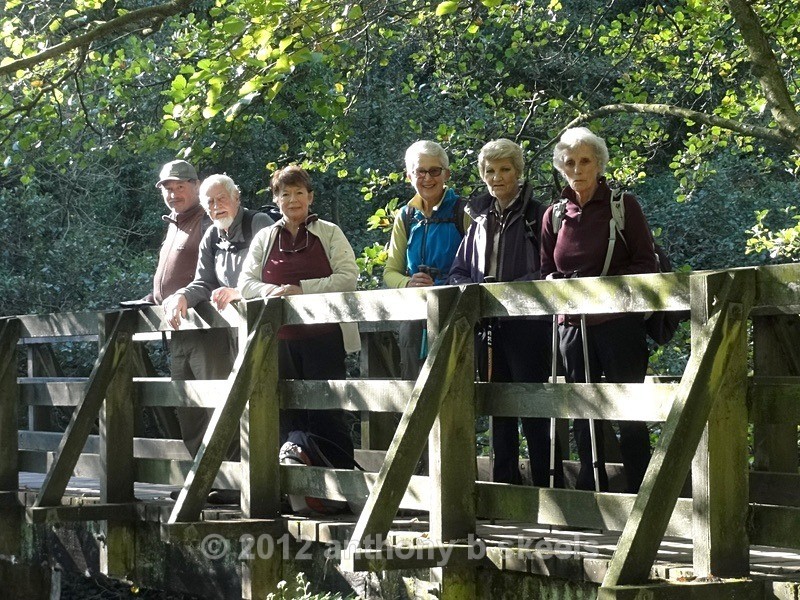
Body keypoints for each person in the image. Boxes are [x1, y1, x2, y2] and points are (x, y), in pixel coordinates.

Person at [540, 126, 658, 493]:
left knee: (630, 412)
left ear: (599, 164)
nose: (577, 168)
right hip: (573, 327)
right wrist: (557, 284)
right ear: (561, 166)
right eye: (570, 161)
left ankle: (643, 493)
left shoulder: (624, 207)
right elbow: (544, 270)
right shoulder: (554, 215)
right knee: (582, 410)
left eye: (585, 160)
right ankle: (592, 493)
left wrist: (603, 288)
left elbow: (646, 264)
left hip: (619, 325)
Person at [448, 139, 564, 488]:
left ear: (519, 172)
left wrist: (507, 293)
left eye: (504, 170)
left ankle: (549, 491)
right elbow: (459, 270)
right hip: (491, 328)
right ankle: (506, 490)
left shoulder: (539, 215)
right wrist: (472, 290)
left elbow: (549, 269)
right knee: (499, 410)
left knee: (534, 410)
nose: (496, 178)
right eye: (489, 171)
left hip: (529, 326)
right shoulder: (479, 220)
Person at [238, 165, 358, 488]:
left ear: (310, 197)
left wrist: (302, 290)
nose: (293, 200)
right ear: (276, 200)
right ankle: (292, 488)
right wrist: (269, 291)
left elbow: (348, 276)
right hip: (278, 342)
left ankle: (343, 486)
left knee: (327, 412)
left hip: (324, 338)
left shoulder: (329, 232)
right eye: (285, 194)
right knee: (285, 412)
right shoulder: (266, 237)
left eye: (299, 193)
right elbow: (245, 282)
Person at [162, 173, 273, 463]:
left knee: (254, 405)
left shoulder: (258, 223)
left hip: (266, 331)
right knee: (207, 405)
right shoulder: (212, 234)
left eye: (222, 198)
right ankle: (214, 478)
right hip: (230, 335)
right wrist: (182, 296)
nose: (216, 206)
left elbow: (275, 273)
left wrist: (241, 291)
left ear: (237, 198)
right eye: (209, 202)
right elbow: (203, 281)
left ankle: (249, 479)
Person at [383, 140, 469, 379]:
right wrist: (408, 283)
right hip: (414, 315)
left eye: (435, 171)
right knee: (413, 386)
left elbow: (476, 268)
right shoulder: (406, 216)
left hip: (453, 312)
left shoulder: (463, 212)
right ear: (409, 175)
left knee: (452, 385)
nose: (428, 178)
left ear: (446, 174)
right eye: (420, 171)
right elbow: (390, 271)